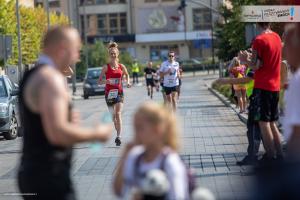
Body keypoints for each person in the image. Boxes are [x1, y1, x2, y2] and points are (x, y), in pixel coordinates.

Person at [17, 26, 112, 200]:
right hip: (49, 174)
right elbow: (57, 134)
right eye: (76, 50)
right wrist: (97, 133)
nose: (77, 57)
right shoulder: (51, 79)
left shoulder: (32, 75)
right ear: (62, 48)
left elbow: (42, 122)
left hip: (33, 172)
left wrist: (66, 119)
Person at [113, 102, 189, 200]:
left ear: (157, 129)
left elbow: (177, 196)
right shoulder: (136, 157)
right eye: (135, 128)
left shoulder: (169, 161)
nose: (136, 134)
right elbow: (119, 191)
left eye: (140, 128)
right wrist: (124, 156)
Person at [239, 22, 283, 163]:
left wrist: (244, 60)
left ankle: (270, 158)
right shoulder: (276, 37)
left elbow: (256, 66)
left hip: (263, 86)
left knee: (264, 123)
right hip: (275, 86)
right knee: (272, 123)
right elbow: (265, 62)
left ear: (258, 24)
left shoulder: (259, 40)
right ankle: (280, 155)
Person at [216, 69, 261, 165]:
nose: (241, 52)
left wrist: (226, 81)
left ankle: (256, 156)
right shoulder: (252, 65)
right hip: (256, 98)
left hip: (258, 99)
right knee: (259, 128)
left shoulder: (256, 63)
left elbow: (247, 79)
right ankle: (270, 155)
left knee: (255, 128)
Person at [98, 42, 131, 146]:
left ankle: (118, 136)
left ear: (118, 54)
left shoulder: (121, 66)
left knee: (118, 113)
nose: (113, 55)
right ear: (109, 54)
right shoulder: (106, 67)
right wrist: (106, 81)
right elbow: (99, 81)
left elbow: (127, 74)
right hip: (109, 94)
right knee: (113, 118)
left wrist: (128, 81)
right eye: (111, 53)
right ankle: (117, 132)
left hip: (119, 93)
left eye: (114, 53)